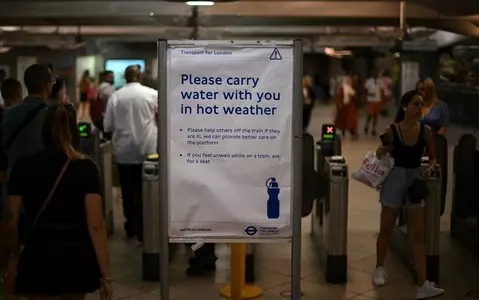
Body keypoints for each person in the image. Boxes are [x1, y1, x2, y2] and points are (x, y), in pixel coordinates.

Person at [2, 103, 112, 300]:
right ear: (73, 131)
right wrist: (105, 274)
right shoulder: (86, 168)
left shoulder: (23, 166)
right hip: (76, 254)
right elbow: (95, 225)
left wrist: (14, 253)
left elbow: (11, 217)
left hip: (38, 251)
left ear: (44, 130)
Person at [372, 90, 444, 299]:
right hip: (395, 180)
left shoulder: (426, 132)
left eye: (421, 104)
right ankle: (379, 267)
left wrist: (430, 167)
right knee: (386, 228)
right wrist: (381, 151)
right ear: (404, 107)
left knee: (418, 235)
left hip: (414, 182)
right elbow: (380, 151)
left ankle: (422, 283)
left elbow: (432, 157)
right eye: (415, 104)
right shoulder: (393, 130)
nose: (419, 108)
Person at [103, 65, 157, 242]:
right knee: (146, 191)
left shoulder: (116, 96)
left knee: (127, 190)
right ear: (139, 76)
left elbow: (108, 126)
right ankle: (144, 227)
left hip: (124, 152)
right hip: (148, 150)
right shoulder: (151, 94)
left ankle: (131, 225)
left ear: (124, 77)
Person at [334, 74, 358, 140]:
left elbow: (354, 97)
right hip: (343, 106)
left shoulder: (350, 88)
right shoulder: (342, 87)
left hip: (349, 106)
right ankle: (343, 132)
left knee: (351, 119)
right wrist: (339, 104)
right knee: (343, 120)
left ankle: (353, 132)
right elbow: (339, 97)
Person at [364, 69, 382, 135]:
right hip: (371, 100)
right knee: (370, 115)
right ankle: (367, 125)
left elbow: (381, 90)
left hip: (377, 100)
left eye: (376, 73)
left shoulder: (379, 81)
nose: (376, 74)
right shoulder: (368, 81)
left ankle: (373, 129)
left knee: (376, 116)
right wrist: (369, 94)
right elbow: (365, 90)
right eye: (374, 73)